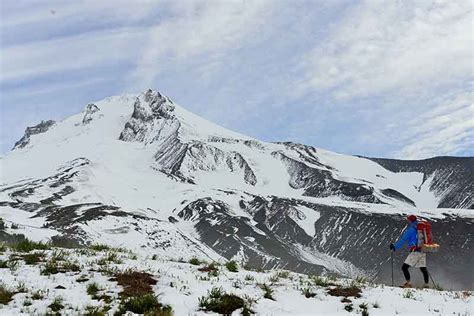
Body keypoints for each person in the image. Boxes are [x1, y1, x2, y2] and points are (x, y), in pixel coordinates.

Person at [390, 215, 429, 288]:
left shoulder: (411, 229)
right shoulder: (420, 229)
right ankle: (426, 285)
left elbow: (403, 239)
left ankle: (409, 284)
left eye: (408, 220)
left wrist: (395, 247)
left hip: (415, 251)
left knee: (404, 267)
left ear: (410, 220)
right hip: (422, 250)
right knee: (423, 268)